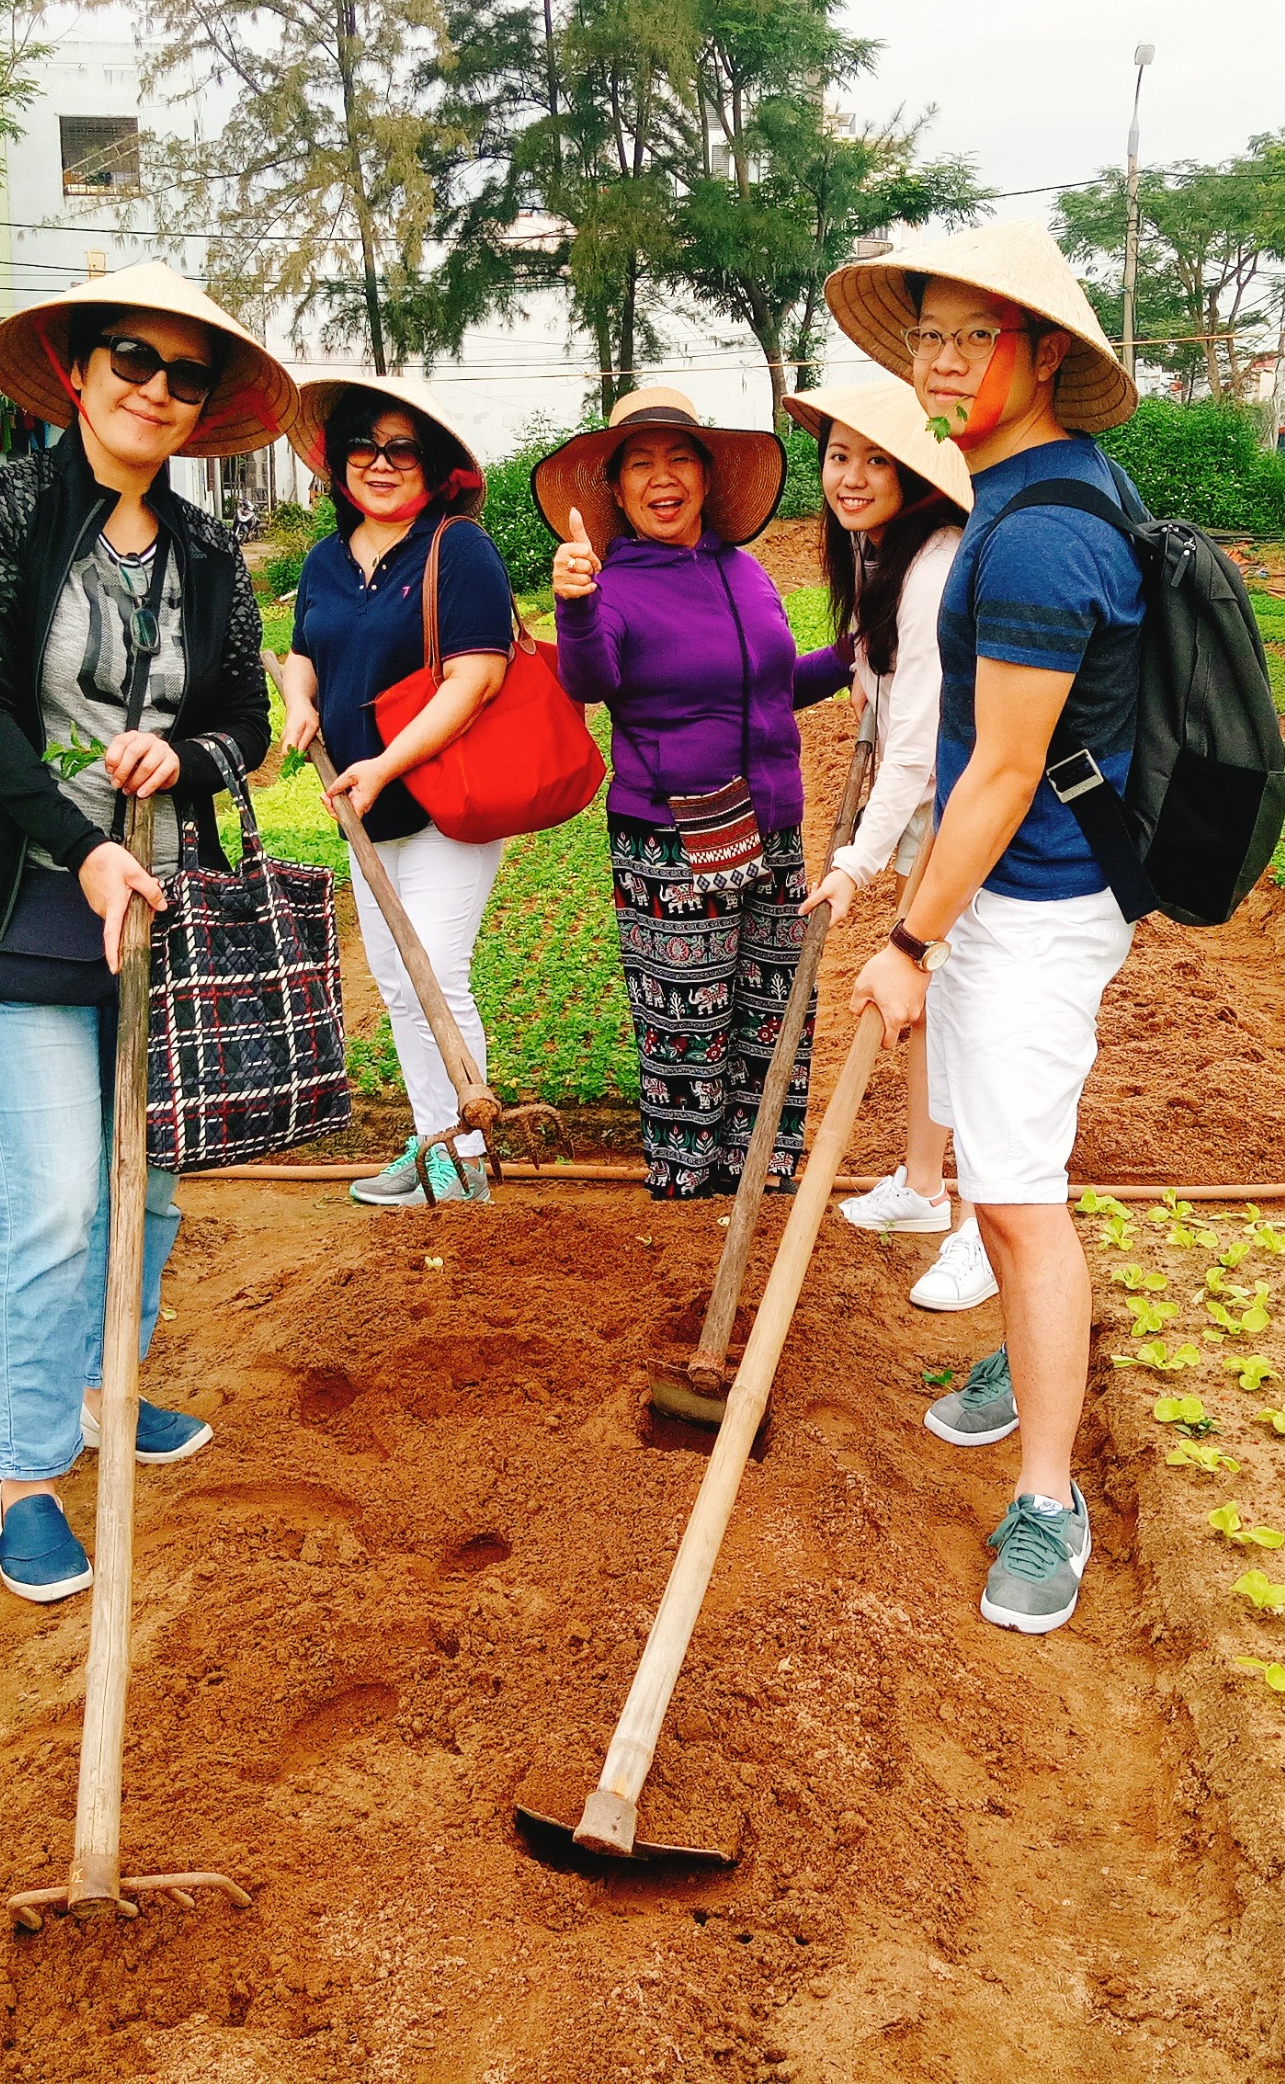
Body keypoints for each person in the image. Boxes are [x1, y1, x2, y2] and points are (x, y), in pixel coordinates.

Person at [0, 259, 291, 1604]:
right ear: (76, 372)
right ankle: (25, 1475)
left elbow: (242, 718)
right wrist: (83, 848)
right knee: (58, 1197)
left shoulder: (205, 547)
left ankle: (100, 1385)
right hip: (21, 898)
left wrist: (179, 761)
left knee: (156, 1180)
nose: (160, 393)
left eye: (188, 377)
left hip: (167, 901)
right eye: (136, 362)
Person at [826, 220, 1147, 1637]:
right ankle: (1021, 1369)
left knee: (1020, 1197)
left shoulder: (1040, 535)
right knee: (1001, 1177)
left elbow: (1006, 769)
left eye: (975, 335)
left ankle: (1051, 1502)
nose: (941, 361)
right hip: (1011, 895)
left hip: (1035, 903)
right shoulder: (1025, 488)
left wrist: (909, 939)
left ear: (1045, 355)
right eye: (929, 336)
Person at [539, 386, 812, 1202]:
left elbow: (766, 686)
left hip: (771, 825)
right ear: (616, 490)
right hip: (672, 839)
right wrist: (574, 606)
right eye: (642, 464)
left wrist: (861, 654)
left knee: (775, 1014)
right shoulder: (612, 584)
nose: (664, 478)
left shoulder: (746, 569)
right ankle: (687, 1190)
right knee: (689, 1025)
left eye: (680, 457)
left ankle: (760, 1173)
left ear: (706, 475)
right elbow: (590, 679)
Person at [277, 374, 513, 1207]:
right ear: (340, 464)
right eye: (364, 448)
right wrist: (301, 703)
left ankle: (467, 1164)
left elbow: (475, 678)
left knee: (436, 974)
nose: (381, 463)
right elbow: (306, 650)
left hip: (444, 803)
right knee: (397, 979)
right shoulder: (327, 559)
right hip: (363, 810)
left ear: (434, 465)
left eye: (401, 447)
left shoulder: (457, 548)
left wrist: (384, 764)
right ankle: (435, 1149)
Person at [780, 379, 991, 1314]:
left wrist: (853, 867)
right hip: (939, 819)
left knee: (980, 1023)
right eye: (838, 456)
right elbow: (889, 691)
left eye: (877, 460)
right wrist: (867, 670)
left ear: (917, 472)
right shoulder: (879, 557)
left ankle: (987, 1231)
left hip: (978, 825)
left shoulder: (936, 561)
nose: (852, 478)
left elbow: (914, 750)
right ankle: (921, 1186)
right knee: (935, 1011)